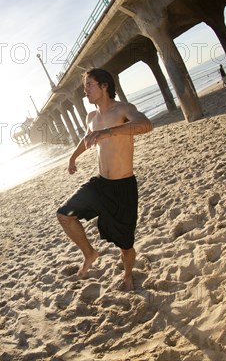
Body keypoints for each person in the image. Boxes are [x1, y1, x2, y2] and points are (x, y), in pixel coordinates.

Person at [56, 68, 153, 292]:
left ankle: (128, 274)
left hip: (123, 187)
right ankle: (89, 253)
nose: (85, 91)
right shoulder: (91, 117)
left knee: (125, 245)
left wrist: (109, 131)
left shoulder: (123, 109)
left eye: (89, 85)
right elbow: (86, 138)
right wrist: (73, 157)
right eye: (85, 87)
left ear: (104, 86)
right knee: (64, 215)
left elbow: (146, 125)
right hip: (100, 184)